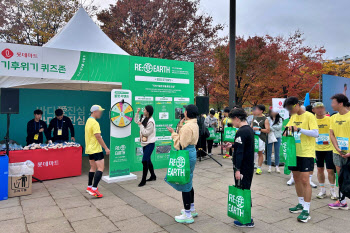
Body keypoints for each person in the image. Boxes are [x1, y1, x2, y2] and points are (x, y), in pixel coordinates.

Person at [284, 97, 319, 223]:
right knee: (297, 179)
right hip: (294, 152)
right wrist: (286, 132)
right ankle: (300, 203)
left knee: (305, 180)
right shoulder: (293, 117)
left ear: (297, 105)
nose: (290, 110)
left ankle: (307, 210)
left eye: (291, 108)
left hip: (306, 152)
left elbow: (316, 133)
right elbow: (287, 129)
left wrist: (299, 129)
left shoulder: (309, 116)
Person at [166, 104, 199, 224]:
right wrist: (180, 127)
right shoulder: (194, 124)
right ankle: (192, 208)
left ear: (187, 113)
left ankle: (187, 214)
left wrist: (172, 133)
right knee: (189, 180)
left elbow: (180, 145)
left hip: (185, 154)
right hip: (191, 152)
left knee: (185, 182)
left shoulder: (187, 127)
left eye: (185, 110)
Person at [230, 108, 255, 228]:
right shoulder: (249, 129)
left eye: (232, 120)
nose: (231, 122)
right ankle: (246, 217)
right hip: (248, 165)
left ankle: (247, 219)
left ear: (237, 119)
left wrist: (238, 169)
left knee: (244, 190)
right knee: (245, 189)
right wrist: (233, 145)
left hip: (243, 167)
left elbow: (240, 152)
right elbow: (244, 146)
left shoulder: (241, 131)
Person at [328, 94, 350, 210]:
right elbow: (331, 134)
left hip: (349, 152)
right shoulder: (333, 117)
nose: (331, 105)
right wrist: (337, 148)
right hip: (337, 152)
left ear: (340, 104)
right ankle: (342, 201)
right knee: (340, 176)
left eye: (333, 102)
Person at [312, 102, 337, 200]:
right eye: (318, 108)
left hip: (329, 148)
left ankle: (332, 190)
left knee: (330, 170)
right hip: (317, 148)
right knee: (319, 169)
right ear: (313, 110)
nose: (320, 110)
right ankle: (322, 190)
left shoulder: (329, 119)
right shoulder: (312, 120)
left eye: (322, 108)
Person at [85, 105, 110, 198]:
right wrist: (106, 148)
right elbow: (98, 136)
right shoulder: (95, 123)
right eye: (100, 111)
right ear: (95, 111)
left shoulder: (88, 121)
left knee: (92, 168)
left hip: (90, 149)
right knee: (100, 168)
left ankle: (89, 186)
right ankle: (94, 189)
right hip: (96, 149)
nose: (101, 113)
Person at [135, 105, 156, 187]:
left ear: (148, 112)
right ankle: (153, 176)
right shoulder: (144, 117)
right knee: (148, 160)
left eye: (144, 110)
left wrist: (140, 125)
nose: (143, 111)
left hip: (150, 144)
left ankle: (143, 180)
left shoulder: (151, 122)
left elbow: (146, 133)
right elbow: (136, 121)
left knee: (144, 161)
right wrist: (137, 112)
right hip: (144, 143)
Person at [251, 105, 270, 175]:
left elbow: (268, 130)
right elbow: (251, 126)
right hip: (254, 137)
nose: (255, 110)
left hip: (261, 138)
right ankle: (252, 165)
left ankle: (259, 168)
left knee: (260, 153)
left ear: (261, 111)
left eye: (257, 109)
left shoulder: (265, 119)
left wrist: (259, 129)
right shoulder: (254, 117)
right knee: (252, 152)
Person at [267, 109, 282, 173]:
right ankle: (269, 166)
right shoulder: (267, 118)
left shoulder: (280, 119)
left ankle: (277, 166)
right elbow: (267, 126)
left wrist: (271, 128)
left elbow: (279, 127)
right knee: (269, 151)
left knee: (277, 152)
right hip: (269, 135)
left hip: (277, 136)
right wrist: (273, 128)